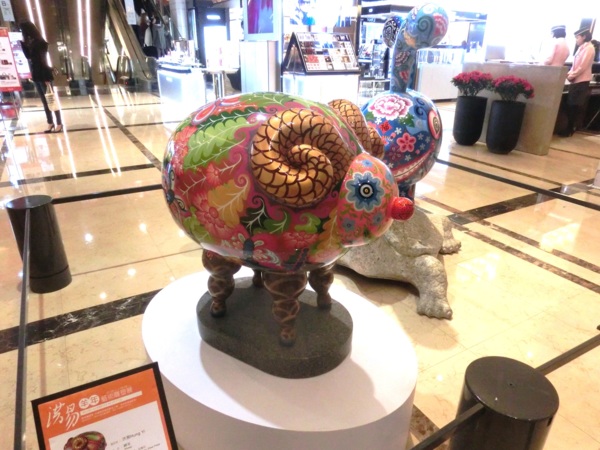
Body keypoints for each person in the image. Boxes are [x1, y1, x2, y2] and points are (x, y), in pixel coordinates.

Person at [19, 21, 63, 133]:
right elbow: (29, 57)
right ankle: (50, 122)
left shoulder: (40, 43)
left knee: (51, 99)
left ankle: (59, 123)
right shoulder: (32, 42)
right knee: (45, 101)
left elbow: (42, 61)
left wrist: (47, 76)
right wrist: (23, 44)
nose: (22, 33)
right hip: (36, 75)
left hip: (43, 74)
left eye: (22, 30)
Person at [561, 27, 595, 136]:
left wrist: (571, 75)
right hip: (575, 80)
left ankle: (570, 129)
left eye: (577, 37)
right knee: (570, 104)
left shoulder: (589, 48)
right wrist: (569, 74)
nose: (576, 40)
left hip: (581, 81)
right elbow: (575, 65)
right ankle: (568, 128)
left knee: (574, 106)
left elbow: (582, 67)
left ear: (584, 36)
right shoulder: (581, 48)